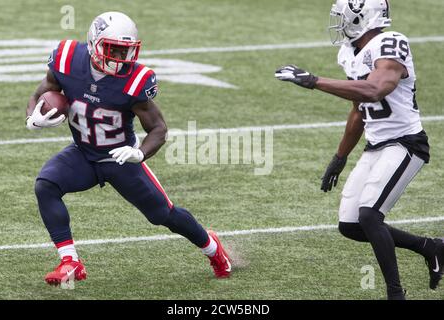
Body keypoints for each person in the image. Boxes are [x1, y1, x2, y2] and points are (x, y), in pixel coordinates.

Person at [26, 11, 231, 285]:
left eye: (126, 51)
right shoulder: (68, 59)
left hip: (120, 157)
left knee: (163, 215)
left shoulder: (134, 80)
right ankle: (70, 261)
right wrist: (33, 117)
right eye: (113, 50)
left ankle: (213, 249)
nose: (120, 59)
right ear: (93, 42)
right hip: (84, 153)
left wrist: (140, 153)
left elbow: (158, 128)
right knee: (46, 184)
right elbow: (43, 90)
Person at [275, 0, 443, 299]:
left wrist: (314, 81)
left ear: (365, 17)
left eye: (345, 16)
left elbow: (376, 89)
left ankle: (395, 293)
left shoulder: (391, 42)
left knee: (369, 216)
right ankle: (430, 247)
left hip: (406, 143)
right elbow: (359, 108)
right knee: (350, 225)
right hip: (376, 145)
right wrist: (339, 157)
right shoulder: (349, 53)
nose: (339, 22)